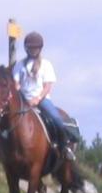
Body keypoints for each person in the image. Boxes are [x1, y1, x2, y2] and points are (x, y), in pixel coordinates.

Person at [12, 31, 75, 161]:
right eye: (30, 47)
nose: (32, 50)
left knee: (57, 119)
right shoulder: (19, 65)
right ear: (26, 48)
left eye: (35, 48)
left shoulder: (46, 64)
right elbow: (16, 83)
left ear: (40, 48)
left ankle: (64, 147)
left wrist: (37, 99)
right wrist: (18, 93)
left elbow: (47, 86)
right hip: (23, 100)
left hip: (41, 99)